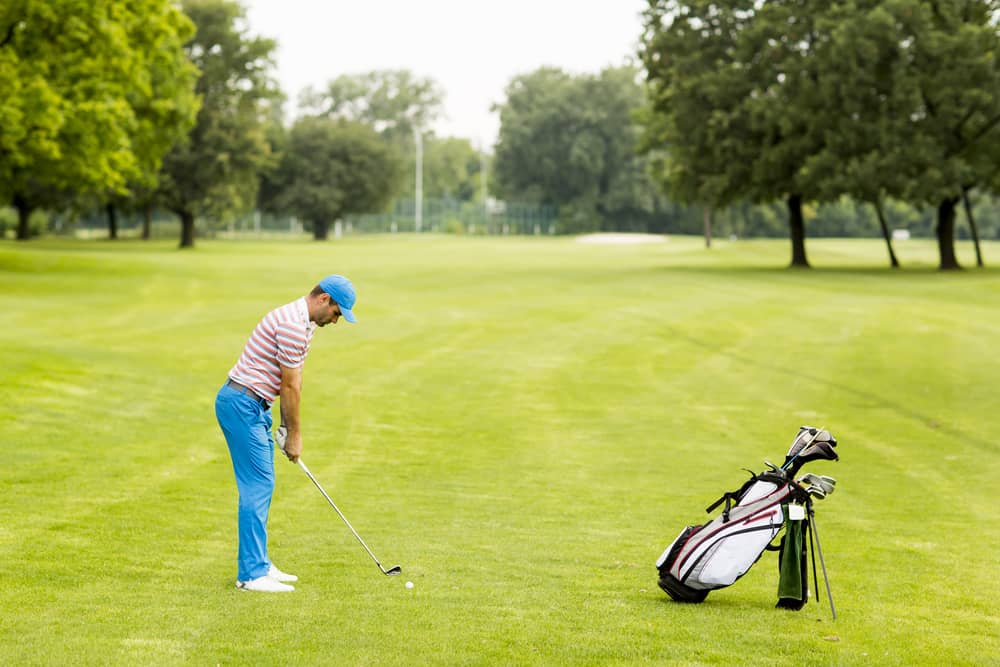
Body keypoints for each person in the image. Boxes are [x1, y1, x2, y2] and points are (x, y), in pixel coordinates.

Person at [215, 275, 357, 592]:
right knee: (258, 484)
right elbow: (289, 386)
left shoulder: (303, 323)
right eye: (337, 313)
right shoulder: (294, 325)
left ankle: (259, 563)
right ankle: (251, 574)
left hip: (253, 406)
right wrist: (294, 435)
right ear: (324, 299)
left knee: (263, 483)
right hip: (241, 404)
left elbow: (293, 380)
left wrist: (281, 424)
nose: (336, 321)